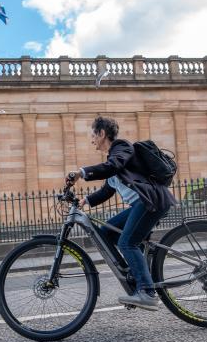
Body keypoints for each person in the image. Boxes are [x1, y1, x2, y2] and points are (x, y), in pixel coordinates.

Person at [67, 116, 176, 311]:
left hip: (149, 202)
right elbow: (107, 189)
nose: (91, 139)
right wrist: (85, 201)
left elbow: (112, 167)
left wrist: (81, 173)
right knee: (106, 233)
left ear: (101, 134)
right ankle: (135, 275)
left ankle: (147, 291)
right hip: (140, 205)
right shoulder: (115, 158)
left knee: (127, 243)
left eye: (93, 134)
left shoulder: (122, 148)